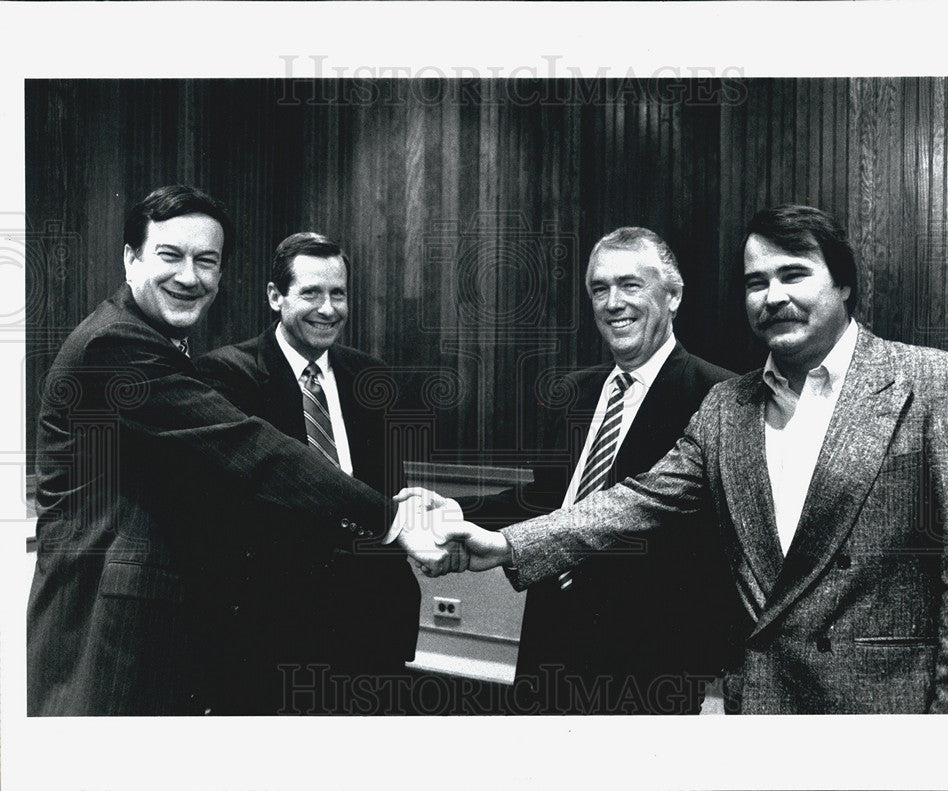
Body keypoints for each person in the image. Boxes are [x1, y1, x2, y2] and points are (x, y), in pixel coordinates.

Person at [420, 205, 948, 714]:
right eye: (756, 283)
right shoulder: (728, 406)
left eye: (794, 274)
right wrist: (504, 544)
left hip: (883, 712)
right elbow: (636, 500)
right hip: (761, 703)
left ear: (846, 284)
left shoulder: (939, 385)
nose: (772, 296)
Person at [27, 185, 447, 716]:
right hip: (105, 640)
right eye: (170, 256)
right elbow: (251, 448)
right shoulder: (115, 345)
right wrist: (395, 520)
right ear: (130, 258)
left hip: (139, 635)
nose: (189, 276)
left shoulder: (152, 339)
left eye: (207, 261)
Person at [406, 227, 736, 714]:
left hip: (648, 666)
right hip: (548, 644)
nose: (613, 303)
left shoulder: (717, 397)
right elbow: (545, 502)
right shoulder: (575, 393)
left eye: (630, 285)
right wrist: (459, 510)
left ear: (673, 294)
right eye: (599, 289)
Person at [195, 233, 420, 714]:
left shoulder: (372, 377)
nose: (328, 309)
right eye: (311, 293)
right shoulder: (227, 377)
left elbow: (385, 493)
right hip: (272, 628)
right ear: (276, 297)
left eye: (338, 294)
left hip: (372, 621)